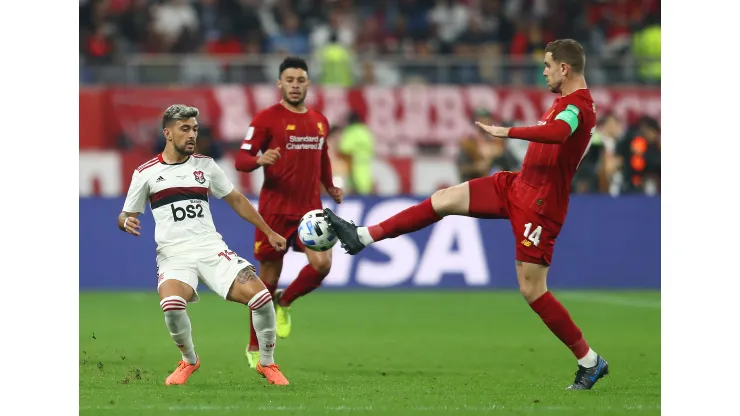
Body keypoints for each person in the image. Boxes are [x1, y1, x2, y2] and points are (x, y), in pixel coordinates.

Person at [324, 39, 609, 390]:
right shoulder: (565, 102)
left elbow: (559, 133)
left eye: (548, 65)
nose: (544, 71)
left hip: (541, 205)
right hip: (517, 186)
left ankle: (589, 360)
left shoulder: (578, 106)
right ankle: (363, 235)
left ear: (564, 69)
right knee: (444, 199)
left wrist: (510, 132)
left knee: (533, 290)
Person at [118, 104, 290, 386]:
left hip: (210, 248)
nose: (192, 135)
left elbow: (236, 199)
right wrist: (126, 222)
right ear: (168, 133)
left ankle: (267, 363)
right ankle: (189, 360)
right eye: (185, 129)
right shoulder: (145, 173)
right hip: (174, 255)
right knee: (172, 304)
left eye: (195, 129)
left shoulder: (206, 166)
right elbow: (126, 214)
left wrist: (268, 231)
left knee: (261, 298)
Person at [234, 57, 344, 367]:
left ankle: (286, 300)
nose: (295, 85)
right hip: (275, 213)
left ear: (308, 84)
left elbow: (322, 158)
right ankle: (255, 346)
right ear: (279, 84)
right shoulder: (266, 119)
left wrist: (330, 185)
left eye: (300, 80)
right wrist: (259, 160)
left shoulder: (320, 121)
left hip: (310, 212)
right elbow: (241, 159)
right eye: (289, 80)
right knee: (265, 281)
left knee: (321, 265)